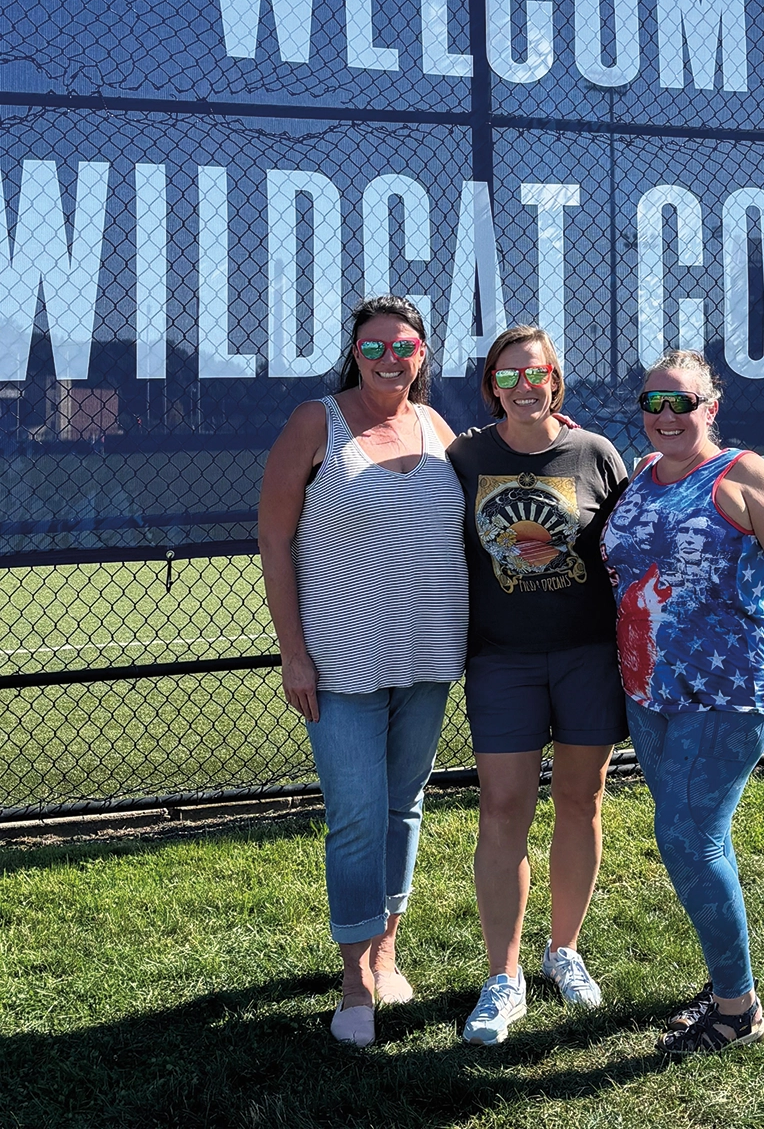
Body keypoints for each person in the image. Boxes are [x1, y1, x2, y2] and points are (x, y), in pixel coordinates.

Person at [258, 295, 468, 1049]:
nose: (389, 358)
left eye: (404, 346)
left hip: (428, 654)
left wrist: (551, 436)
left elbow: (503, 472)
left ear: (422, 355)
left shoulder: (439, 427)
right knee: (355, 815)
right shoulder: (315, 422)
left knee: (403, 806)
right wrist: (294, 651)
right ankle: (354, 978)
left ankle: (387, 950)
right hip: (340, 660)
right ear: (355, 352)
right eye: (374, 346)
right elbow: (275, 540)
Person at [601, 349, 764, 1056]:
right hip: (650, 687)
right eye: (652, 402)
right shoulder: (639, 476)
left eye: (682, 403)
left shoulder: (741, 473)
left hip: (727, 689)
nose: (665, 416)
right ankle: (728, 978)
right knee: (696, 840)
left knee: (688, 839)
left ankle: (736, 1009)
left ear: (711, 408)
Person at [447, 326, 628, 1046]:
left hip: (587, 656)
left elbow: (631, 544)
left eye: (539, 373)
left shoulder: (595, 454)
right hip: (502, 660)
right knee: (502, 806)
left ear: (556, 382)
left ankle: (565, 952)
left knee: (582, 800)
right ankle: (504, 975)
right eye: (510, 374)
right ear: (493, 384)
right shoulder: (464, 456)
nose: (526, 385)